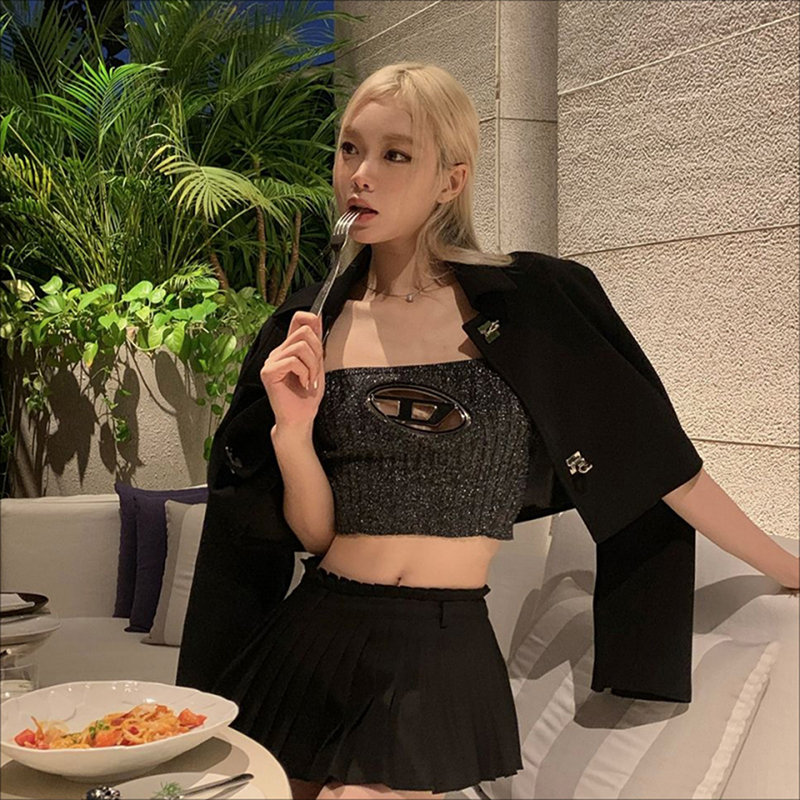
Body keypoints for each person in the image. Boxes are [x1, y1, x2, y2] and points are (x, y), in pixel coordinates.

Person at [183, 62, 799, 800]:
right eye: (350, 149)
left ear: (451, 179)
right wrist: (291, 432)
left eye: (395, 154)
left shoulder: (533, 302)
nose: (361, 174)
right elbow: (316, 536)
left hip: (439, 649)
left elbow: (665, 466)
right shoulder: (312, 324)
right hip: (315, 630)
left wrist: (790, 567)